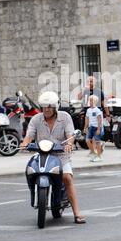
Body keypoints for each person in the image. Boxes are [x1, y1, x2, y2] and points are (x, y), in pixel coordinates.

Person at [20, 91, 86, 224]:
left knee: (67, 178)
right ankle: (35, 193)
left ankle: (77, 213)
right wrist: (24, 143)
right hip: (41, 154)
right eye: (44, 106)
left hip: (61, 155)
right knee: (30, 170)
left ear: (55, 107)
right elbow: (29, 135)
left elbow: (70, 134)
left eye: (49, 106)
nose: (46, 109)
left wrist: (68, 144)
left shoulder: (65, 117)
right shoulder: (36, 119)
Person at [83, 95, 103, 162]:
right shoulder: (88, 110)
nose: (91, 102)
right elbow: (87, 119)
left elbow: (99, 120)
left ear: (96, 102)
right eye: (90, 100)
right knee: (87, 140)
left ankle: (99, 156)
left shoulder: (97, 110)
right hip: (90, 127)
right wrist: (85, 127)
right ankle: (93, 152)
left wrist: (99, 129)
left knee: (97, 142)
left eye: (92, 100)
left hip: (96, 127)